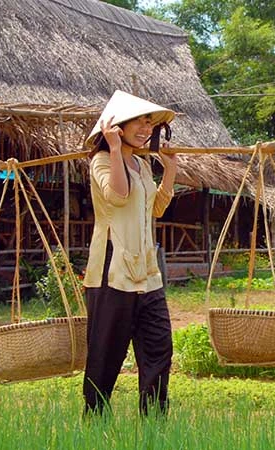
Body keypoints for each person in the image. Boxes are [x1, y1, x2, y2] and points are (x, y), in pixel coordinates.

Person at [81, 90, 177, 417]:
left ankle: (153, 421)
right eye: (138, 121)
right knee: (106, 355)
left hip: (148, 274)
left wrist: (171, 171)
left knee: (159, 348)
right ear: (117, 125)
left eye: (149, 122)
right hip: (112, 272)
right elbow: (118, 197)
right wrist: (116, 150)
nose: (146, 127)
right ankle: (94, 420)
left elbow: (157, 209)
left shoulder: (143, 165)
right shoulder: (101, 161)